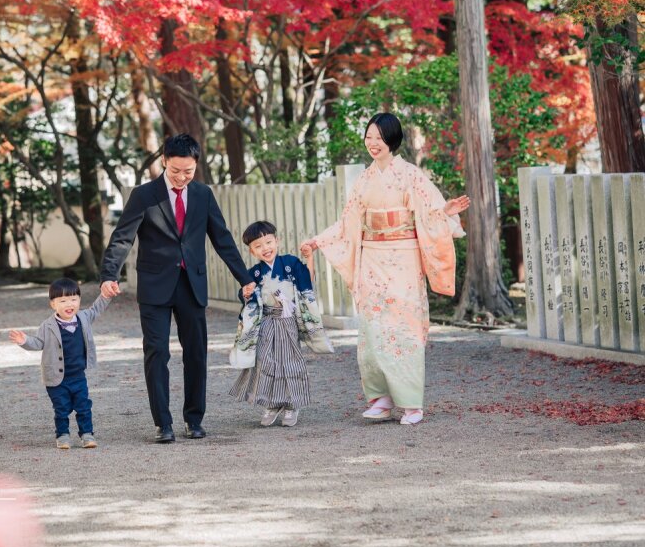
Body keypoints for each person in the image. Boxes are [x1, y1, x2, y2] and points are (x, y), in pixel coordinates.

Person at [301, 113, 469, 425]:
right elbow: (348, 223)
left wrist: (444, 212)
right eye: (369, 137)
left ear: (391, 140)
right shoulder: (364, 179)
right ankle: (381, 398)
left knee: (403, 329)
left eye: (378, 138)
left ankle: (411, 404)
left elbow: (430, 211)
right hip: (371, 258)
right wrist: (318, 240)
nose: (372, 143)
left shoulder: (410, 175)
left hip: (403, 256)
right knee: (372, 329)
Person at [100, 134, 257, 444]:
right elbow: (122, 238)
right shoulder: (144, 195)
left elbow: (222, 239)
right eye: (176, 171)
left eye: (189, 171)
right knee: (157, 353)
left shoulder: (202, 194)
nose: (182, 177)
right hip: (154, 286)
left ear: (196, 165)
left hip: (192, 285)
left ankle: (194, 420)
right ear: (163, 162)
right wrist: (109, 274)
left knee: (196, 354)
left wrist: (244, 278)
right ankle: (163, 424)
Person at [229, 221, 334, 427]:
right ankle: (272, 403)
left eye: (268, 242)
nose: (265, 248)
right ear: (252, 251)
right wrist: (246, 293)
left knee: (289, 362)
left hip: (287, 321)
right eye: (258, 246)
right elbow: (246, 295)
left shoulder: (290, 263)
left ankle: (291, 404)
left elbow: (307, 283)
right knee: (265, 362)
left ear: (277, 241)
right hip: (267, 321)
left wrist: (310, 258)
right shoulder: (254, 273)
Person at [9, 278, 114, 449]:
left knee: (83, 406)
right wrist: (24, 340)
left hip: (78, 375)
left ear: (79, 300)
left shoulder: (83, 317)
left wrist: (104, 295)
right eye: (63, 301)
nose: (69, 304)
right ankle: (63, 435)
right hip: (56, 378)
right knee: (61, 408)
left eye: (74, 299)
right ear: (53, 304)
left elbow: (97, 308)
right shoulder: (47, 325)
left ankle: (87, 434)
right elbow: (37, 343)